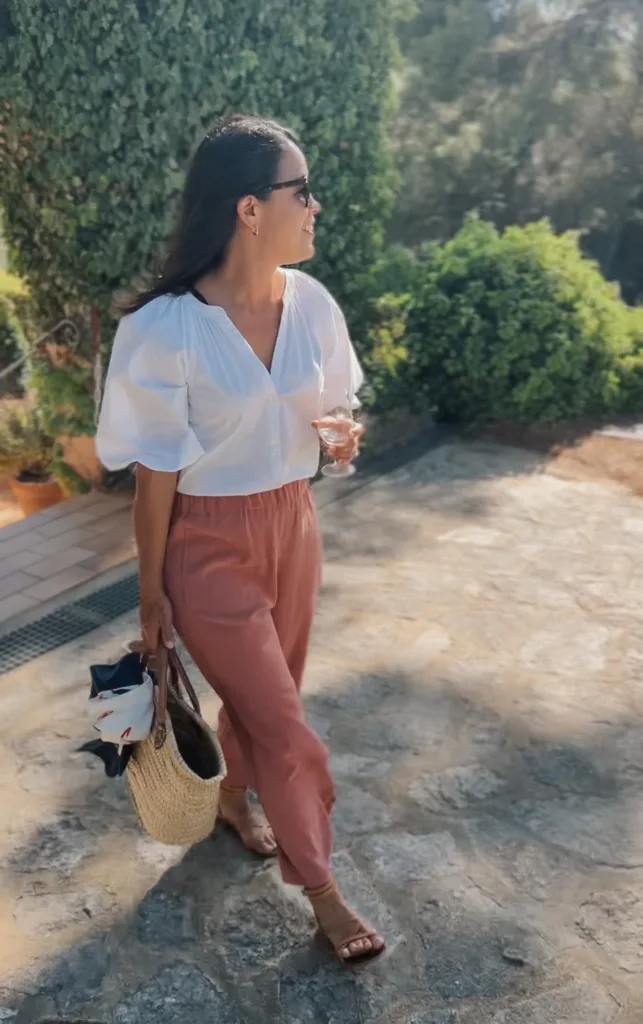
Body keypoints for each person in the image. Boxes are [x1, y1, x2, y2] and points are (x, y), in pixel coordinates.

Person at [96, 114, 386, 965]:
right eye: (303, 192)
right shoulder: (163, 330)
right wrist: (151, 596)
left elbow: (334, 412)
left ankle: (228, 799)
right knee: (289, 728)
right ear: (249, 209)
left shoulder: (314, 304)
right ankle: (324, 892)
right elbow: (155, 477)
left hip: (293, 526)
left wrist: (339, 437)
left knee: (269, 699)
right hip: (206, 546)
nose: (317, 207)